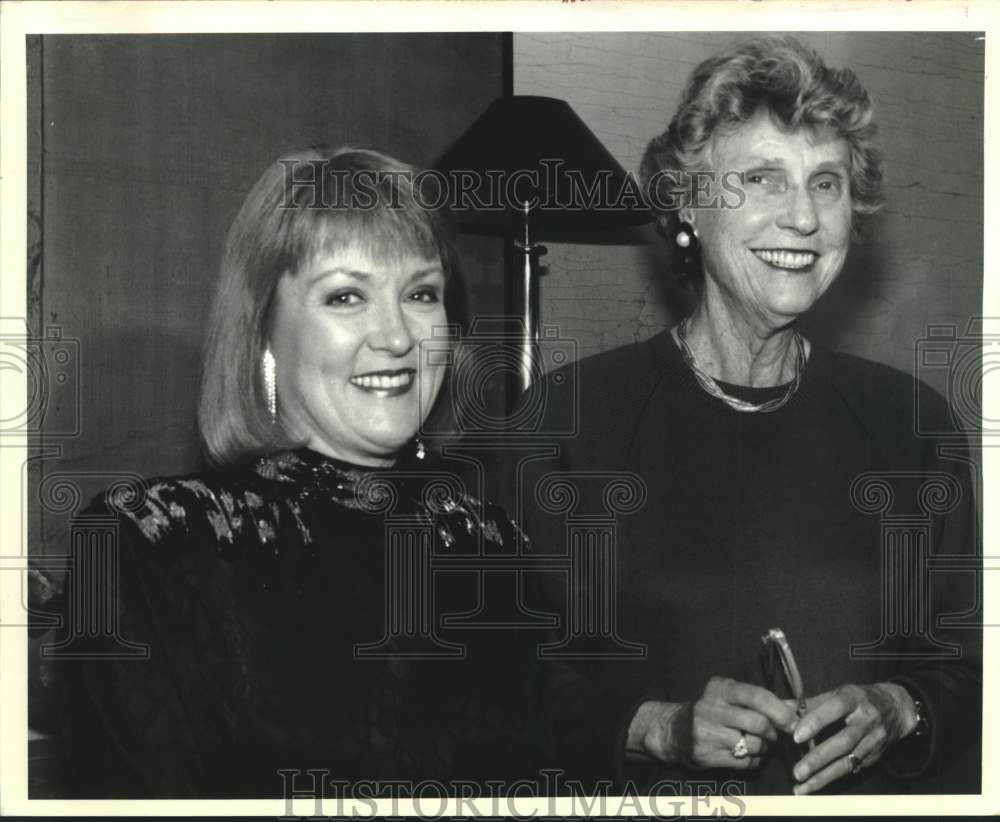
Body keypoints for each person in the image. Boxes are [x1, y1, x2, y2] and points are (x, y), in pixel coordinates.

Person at [510, 36, 981, 796]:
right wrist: (655, 728)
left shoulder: (913, 428)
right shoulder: (564, 424)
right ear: (686, 204)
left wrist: (898, 708)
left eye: (825, 184)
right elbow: (504, 688)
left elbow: (965, 676)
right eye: (763, 179)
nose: (803, 217)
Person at [49, 147, 539, 798]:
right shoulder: (152, 545)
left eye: (421, 293)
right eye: (345, 296)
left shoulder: (488, 544)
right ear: (264, 333)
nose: (396, 336)